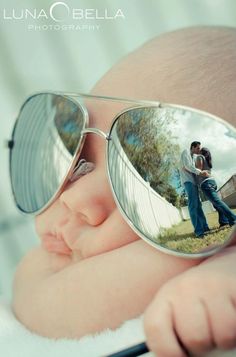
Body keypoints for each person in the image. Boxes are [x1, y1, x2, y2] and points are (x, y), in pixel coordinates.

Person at [12, 26, 236, 357]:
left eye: (140, 172)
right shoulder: (45, 268)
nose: (71, 199)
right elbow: (41, 298)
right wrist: (190, 260)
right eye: (77, 153)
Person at [196, 147, 236, 228]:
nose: (198, 151)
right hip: (212, 182)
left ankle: (233, 219)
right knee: (216, 204)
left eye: (199, 150)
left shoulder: (200, 157)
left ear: (201, 152)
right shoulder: (207, 160)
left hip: (206, 183)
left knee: (217, 202)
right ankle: (223, 221)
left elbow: (198, 171)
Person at [180, 142, 210, 237]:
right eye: (197, 148)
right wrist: (200, 172)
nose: (198, 150)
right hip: (188, 182)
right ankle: (198, 231)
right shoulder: (186, 152)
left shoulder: (194, 158)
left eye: (199, 149)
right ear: (192, 147)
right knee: (193, 205)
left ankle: (205, 227)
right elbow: (187, 166)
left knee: (198, 205)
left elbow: (191, 169)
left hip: (194, 183)